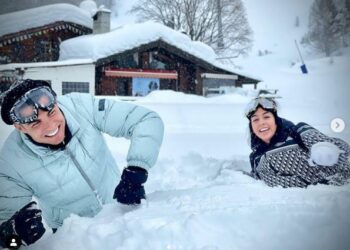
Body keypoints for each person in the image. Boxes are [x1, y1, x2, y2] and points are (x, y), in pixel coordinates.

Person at [0, 79, 164, 247]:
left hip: (122, 215)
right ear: (20, 127)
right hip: (74, 239)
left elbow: (146, 120)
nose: (51, 127)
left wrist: (137, 169)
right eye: (36, 123)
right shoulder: (11, 163)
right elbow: (6, 238)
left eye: (51, 113)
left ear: (55, 102)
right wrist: (13, 235)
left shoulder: (82, 107)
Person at [245, 97, 350, 188]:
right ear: (251, 127)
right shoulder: (256, 158)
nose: (261, 122)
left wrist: (324, 147)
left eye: (266, 117)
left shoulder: (299, 132)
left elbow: (342, 150)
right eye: (255, 120)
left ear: (275, 120)